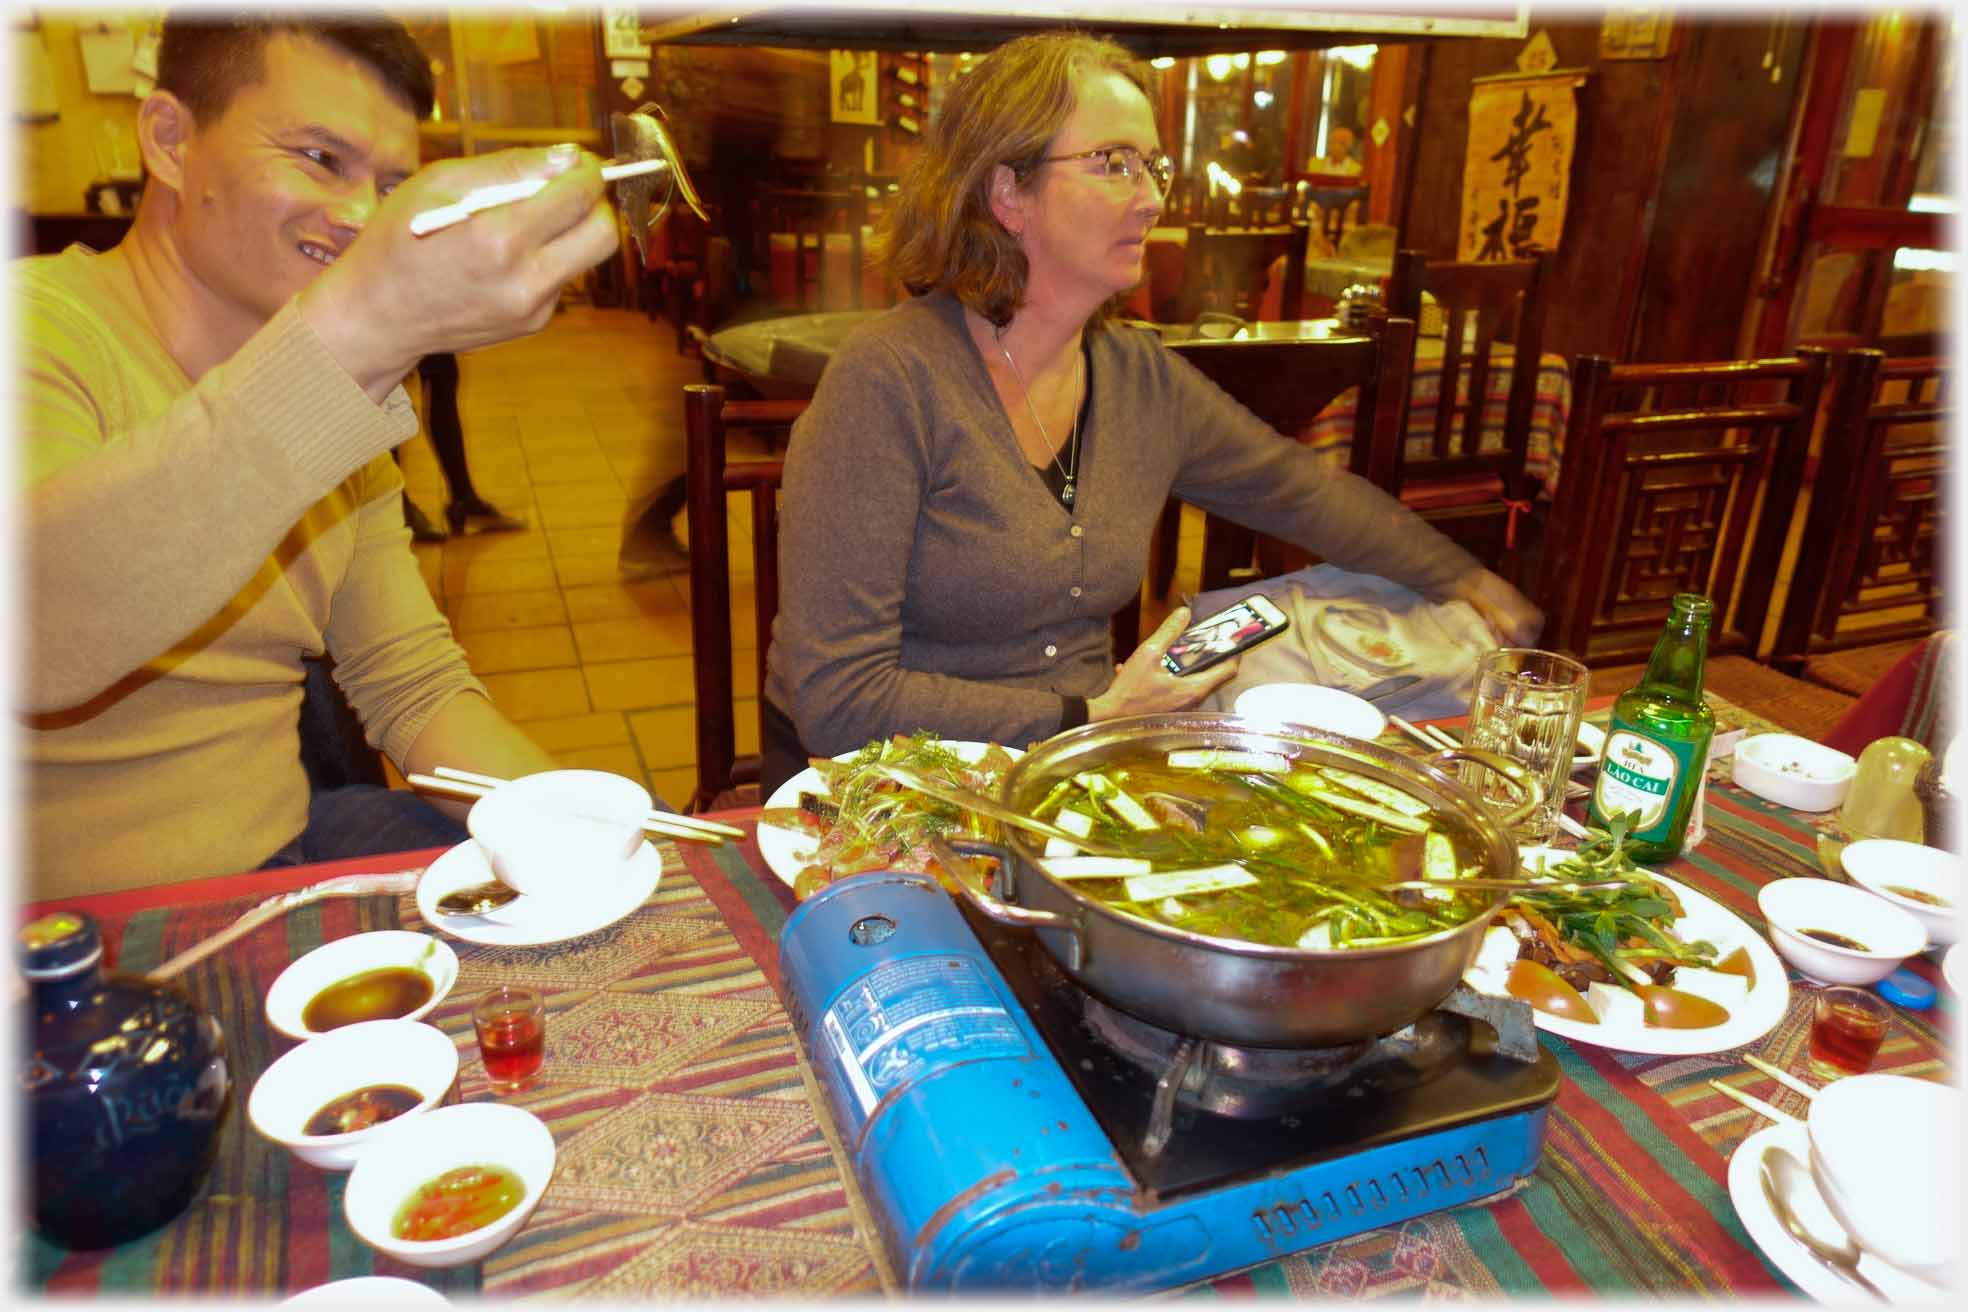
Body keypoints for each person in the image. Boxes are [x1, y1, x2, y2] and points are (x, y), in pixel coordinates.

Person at [760, 31, 1538, 796]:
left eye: (1153, 165)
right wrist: (1091, 714)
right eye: (1114, 164)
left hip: (1070, 775)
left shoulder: (1138, 376)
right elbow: (840, 702)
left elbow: (1303, 492)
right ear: (1009, 194)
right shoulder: (891, 381)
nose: (1153, 197)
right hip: (882, 793)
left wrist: (1466, 580)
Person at [15, 10, 620, 897]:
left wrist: (593, 833)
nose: (360, 218)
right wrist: (362, 333)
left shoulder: (342, 401)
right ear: (172, 140)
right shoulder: (38, 329)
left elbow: (413, 689)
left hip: (282, 862)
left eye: (390, 186)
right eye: (320, 159)